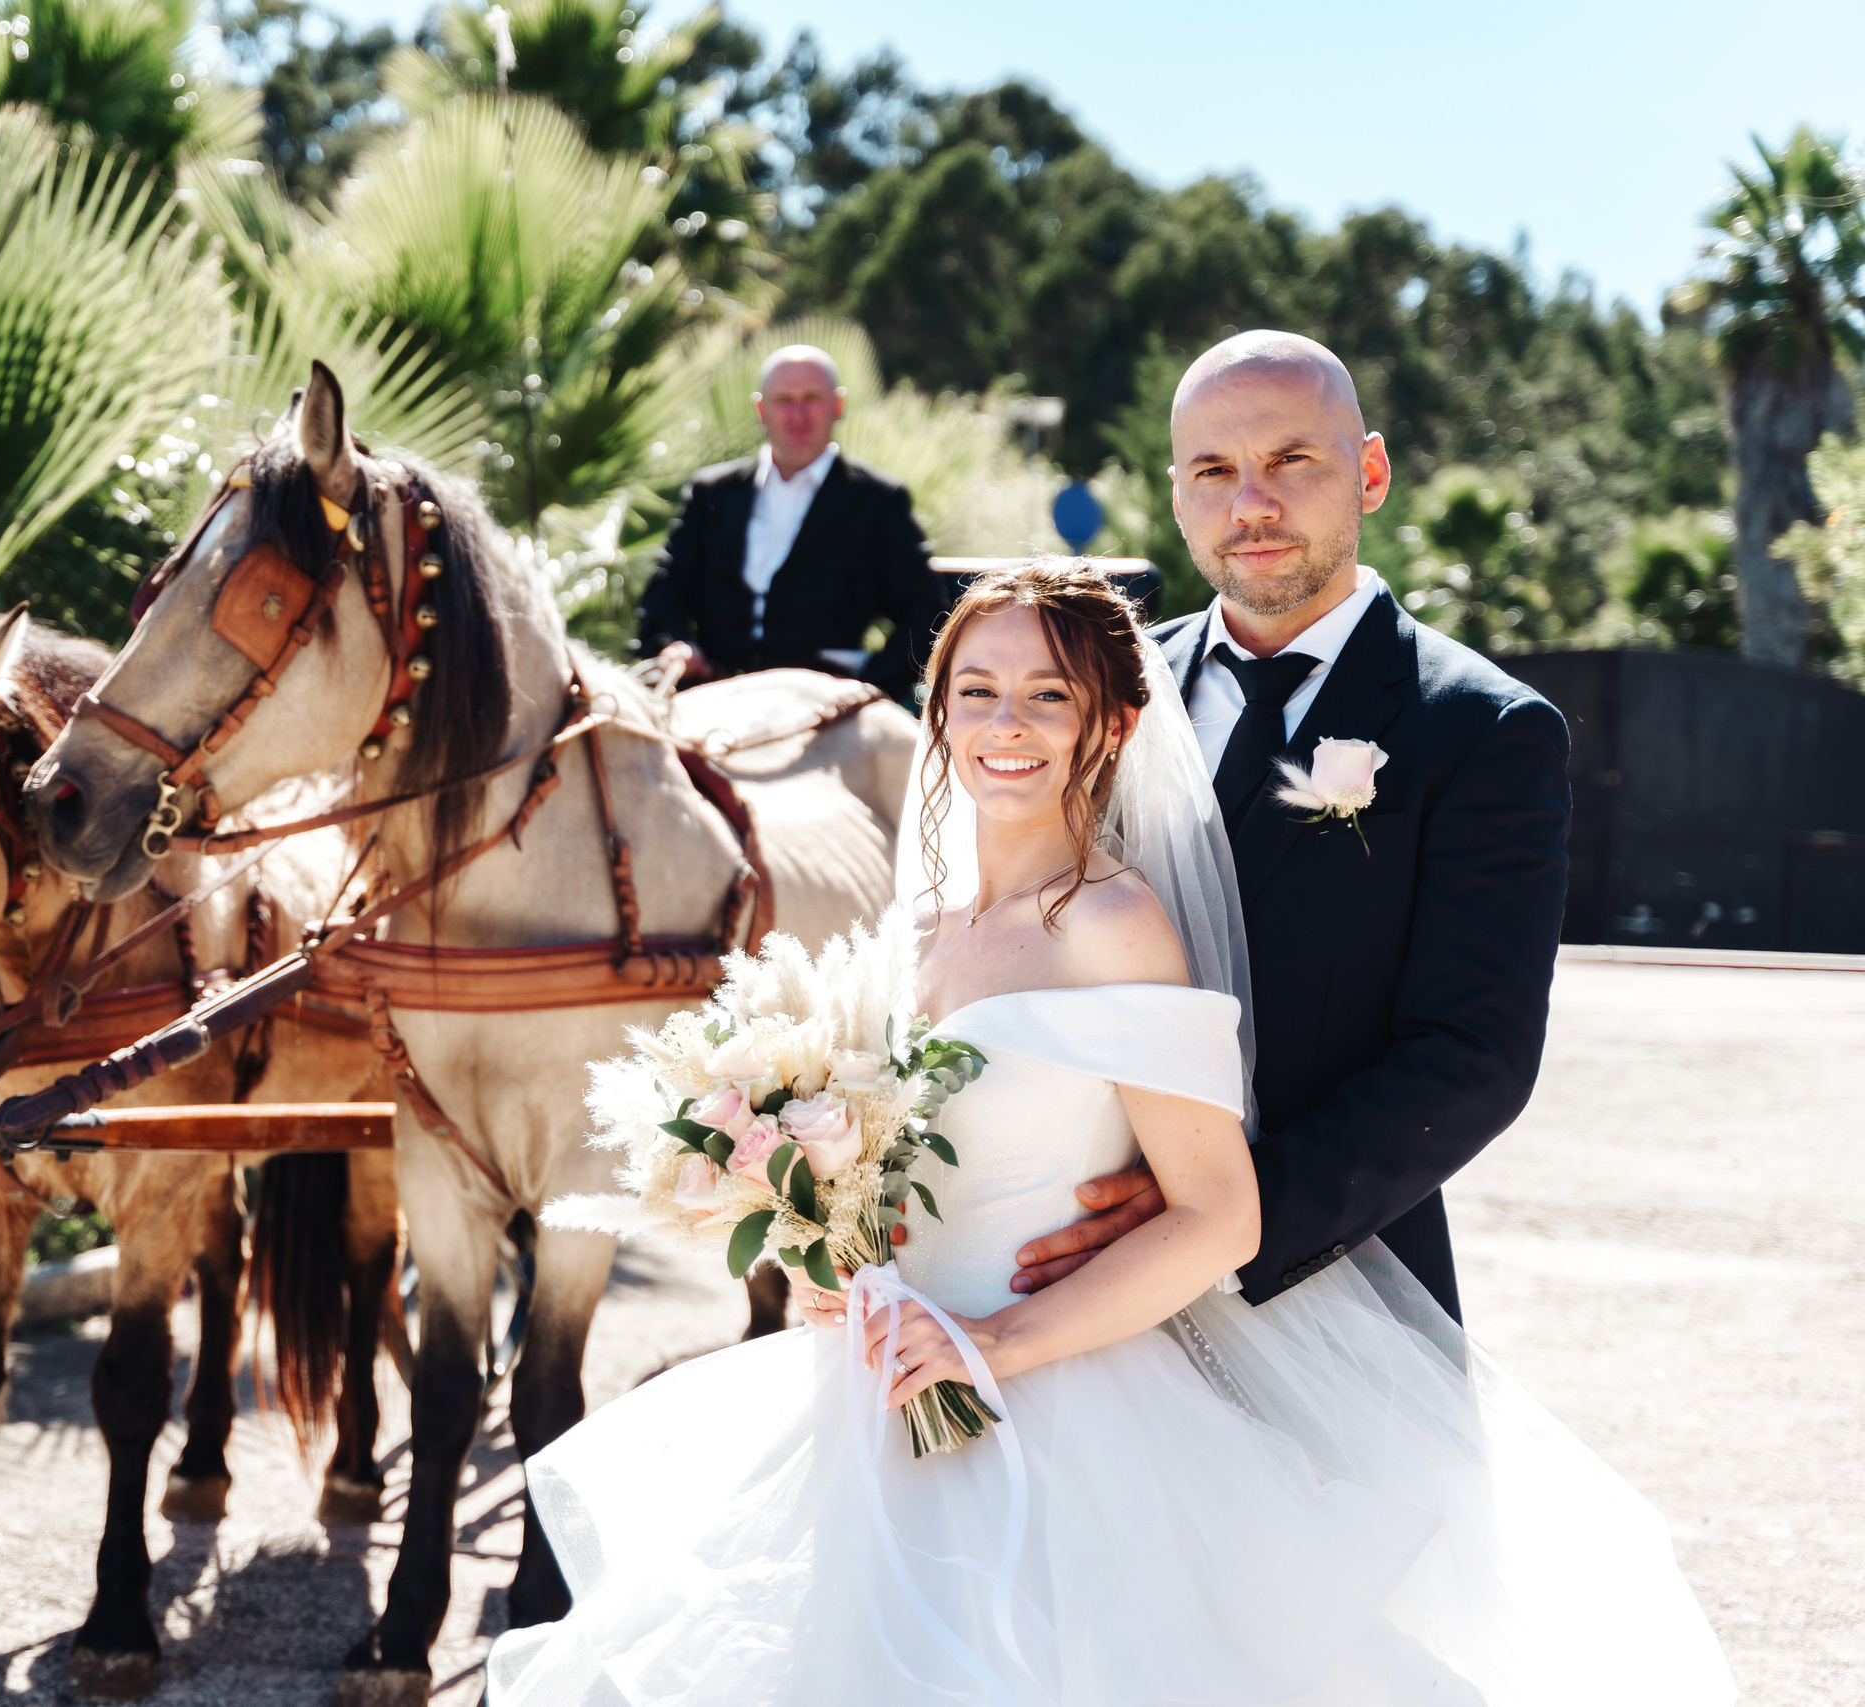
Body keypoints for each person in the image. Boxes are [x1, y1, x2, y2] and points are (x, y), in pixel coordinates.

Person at [487, 563, 1733, 1706]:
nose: (1005, 725)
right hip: (871, 1396)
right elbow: (880, 1171)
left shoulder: (1112, 922)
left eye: (1046, 695)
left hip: (1055, 1398)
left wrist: (996, 1344)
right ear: (936, 716)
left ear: (1113, 726)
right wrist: (832, 1266)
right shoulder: (914, 929)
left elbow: (1218, 1213)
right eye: (974, 691)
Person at [985, 330, 1571, 1323]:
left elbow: (1472, 1060)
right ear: (1176, 497)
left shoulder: (1482, 729)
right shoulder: (1096, 692)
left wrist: (1220, 1215)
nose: (1249, 505)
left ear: (1369, 472)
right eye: (1213, 471)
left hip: (1326, 1289)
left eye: (1290, 460)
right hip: (1052, 1263)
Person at [637, 344, 946, 703]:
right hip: (710, 696)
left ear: (837, 405)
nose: (797, 413)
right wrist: (675, 645)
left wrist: (869, 687)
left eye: (811, 398)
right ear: (761, 409)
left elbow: (926, 608)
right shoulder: (713, 493)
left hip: (823, 710)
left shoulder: (877, 500)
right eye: (783, 400)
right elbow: (666, 587)